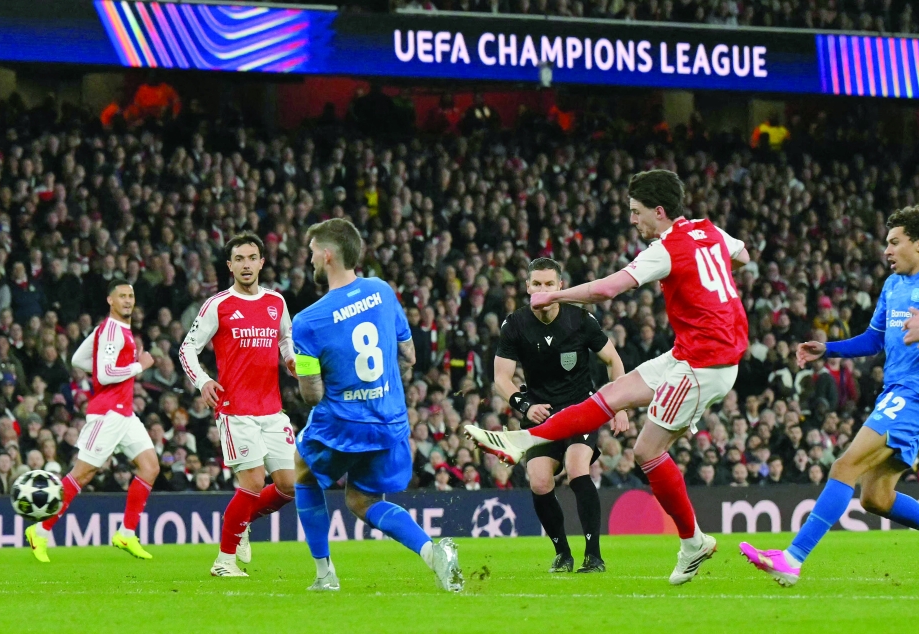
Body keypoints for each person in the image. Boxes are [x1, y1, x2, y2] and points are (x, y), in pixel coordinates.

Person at [466, 169, 750, 585]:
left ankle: (693, 542)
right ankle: (521, 439)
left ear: (658, 211)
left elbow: (607, 290)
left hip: (704, 364)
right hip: (690, 350)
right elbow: (741, 256)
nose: (632, 220)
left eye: (636, 213)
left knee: (646, 451)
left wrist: (556, 295)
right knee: (610, 395)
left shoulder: (666, 247)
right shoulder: (709, 231)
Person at [742, 206, 919, 586]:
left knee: (844, 466)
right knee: (877, 497)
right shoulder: (893, 287)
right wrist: (830, 349)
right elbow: (874, 340)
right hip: (897, 393)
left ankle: (793, 558)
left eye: (894, 242)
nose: (886, 250)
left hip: (917, 392)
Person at [291, 218, 462, 592]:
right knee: (361, 499)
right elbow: (409, 355)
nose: (310, 260)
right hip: (390, 419)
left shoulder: (307, 321)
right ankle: (433, 554)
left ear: (328, 254)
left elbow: (312, 395)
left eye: (312, 253)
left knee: (302, 471)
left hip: (342, 423)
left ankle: (325, 575)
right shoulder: (383, 292)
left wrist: (301, 368)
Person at [493, 257, 625, 573]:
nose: (542, 289)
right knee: (539, 482)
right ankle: (563, 554)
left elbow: (613, 361)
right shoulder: (515, 324)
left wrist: (618, 406)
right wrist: (525, 406)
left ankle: (594, 556)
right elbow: (501, 377)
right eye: (536, 284)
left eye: (549, 284)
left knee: (576, 468)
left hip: (580, 411)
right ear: (527, 287)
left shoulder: (580, 319)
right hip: (541, 416)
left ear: (560, 286)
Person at [180, 232, 297, 577]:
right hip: (236, 409)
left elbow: (286, 339)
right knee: (253, 481)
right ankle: (224, 561)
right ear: (230, 266)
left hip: (272, 409)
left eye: (252, 258)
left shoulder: (276, 301)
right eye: (239, 260)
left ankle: (242, 520)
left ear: (262, 262)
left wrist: (291, 361)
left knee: (291, 484)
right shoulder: (218, 305)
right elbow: (187, 348)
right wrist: (203, 381)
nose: (246, 265)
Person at [25, 279, 160, 563]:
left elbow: (77, 359)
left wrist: (102, 367)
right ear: (110, 300)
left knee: (150, 467)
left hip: (124, 413)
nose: (127, 300)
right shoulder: (111, 330)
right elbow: (108, 373)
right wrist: (140, 366)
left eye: (131, 296)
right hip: (108, 413)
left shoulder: (113, 329)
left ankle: (126, 532)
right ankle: (41, 529)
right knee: (82, 474)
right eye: (121, 296)